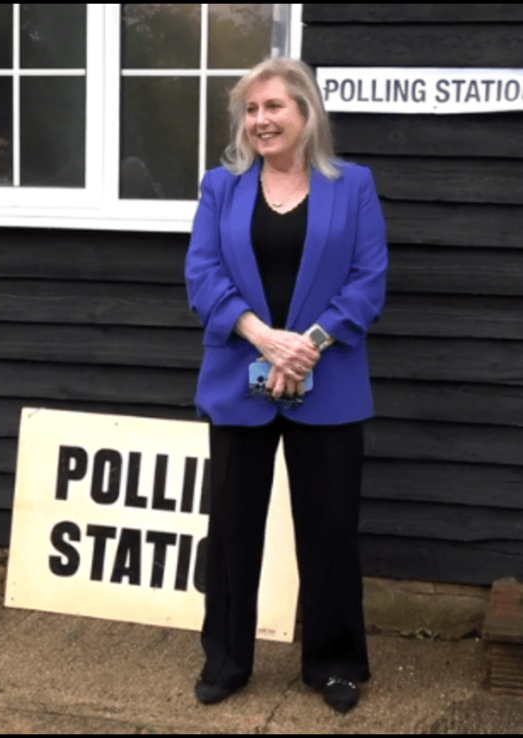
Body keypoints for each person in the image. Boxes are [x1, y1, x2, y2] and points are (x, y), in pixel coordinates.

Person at [184, 57, 387, 714]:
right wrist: (262, 337)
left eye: (273, 107)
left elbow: (366, 281)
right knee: (233, 528)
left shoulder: (351, 185)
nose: (260, 121)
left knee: (329, 529)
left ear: (305, 113)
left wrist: (306, 348)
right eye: (250, 110)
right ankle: (226, 660)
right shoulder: (221, 186)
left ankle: (333, 662)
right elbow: (202, 274)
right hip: (238, 379)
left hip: (326, 383)